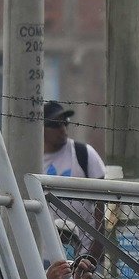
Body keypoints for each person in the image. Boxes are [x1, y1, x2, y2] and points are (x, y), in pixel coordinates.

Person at [42, 100, 106, 260]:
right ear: (41, 128)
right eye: (56, 125)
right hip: (43, 254)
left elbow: (102, 203)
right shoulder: (33, 160)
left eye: (65, 123)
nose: (63, 129)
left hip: (84, 252)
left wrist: (96, 247)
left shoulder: (83, 153)